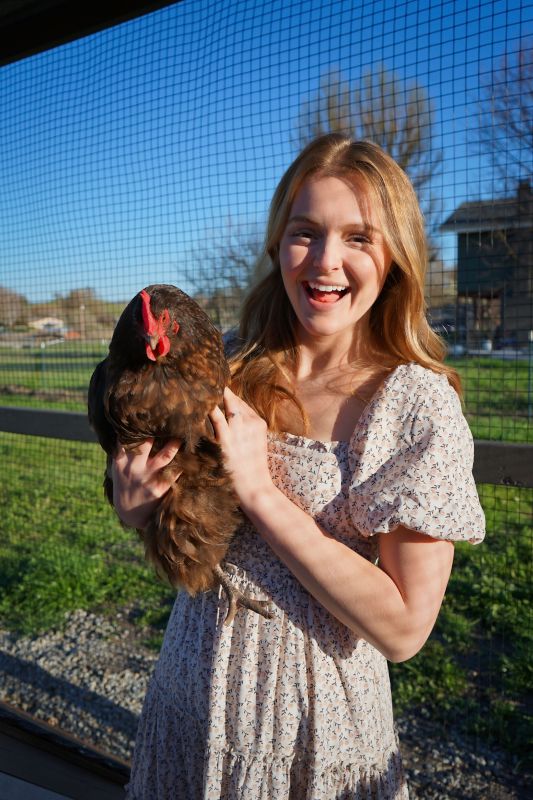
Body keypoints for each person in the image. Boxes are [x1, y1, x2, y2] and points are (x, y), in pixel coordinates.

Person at [116, 134, 485, 799]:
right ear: (275, 244)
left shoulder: (412, 406)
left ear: (396, 257)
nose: (324, 261)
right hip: (189, 693)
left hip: (313, 726)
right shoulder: (222, 363)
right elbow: (177, 512)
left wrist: (260, 489)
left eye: (357, 238)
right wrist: (138, 506)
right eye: (304, 233)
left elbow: (403, 628)